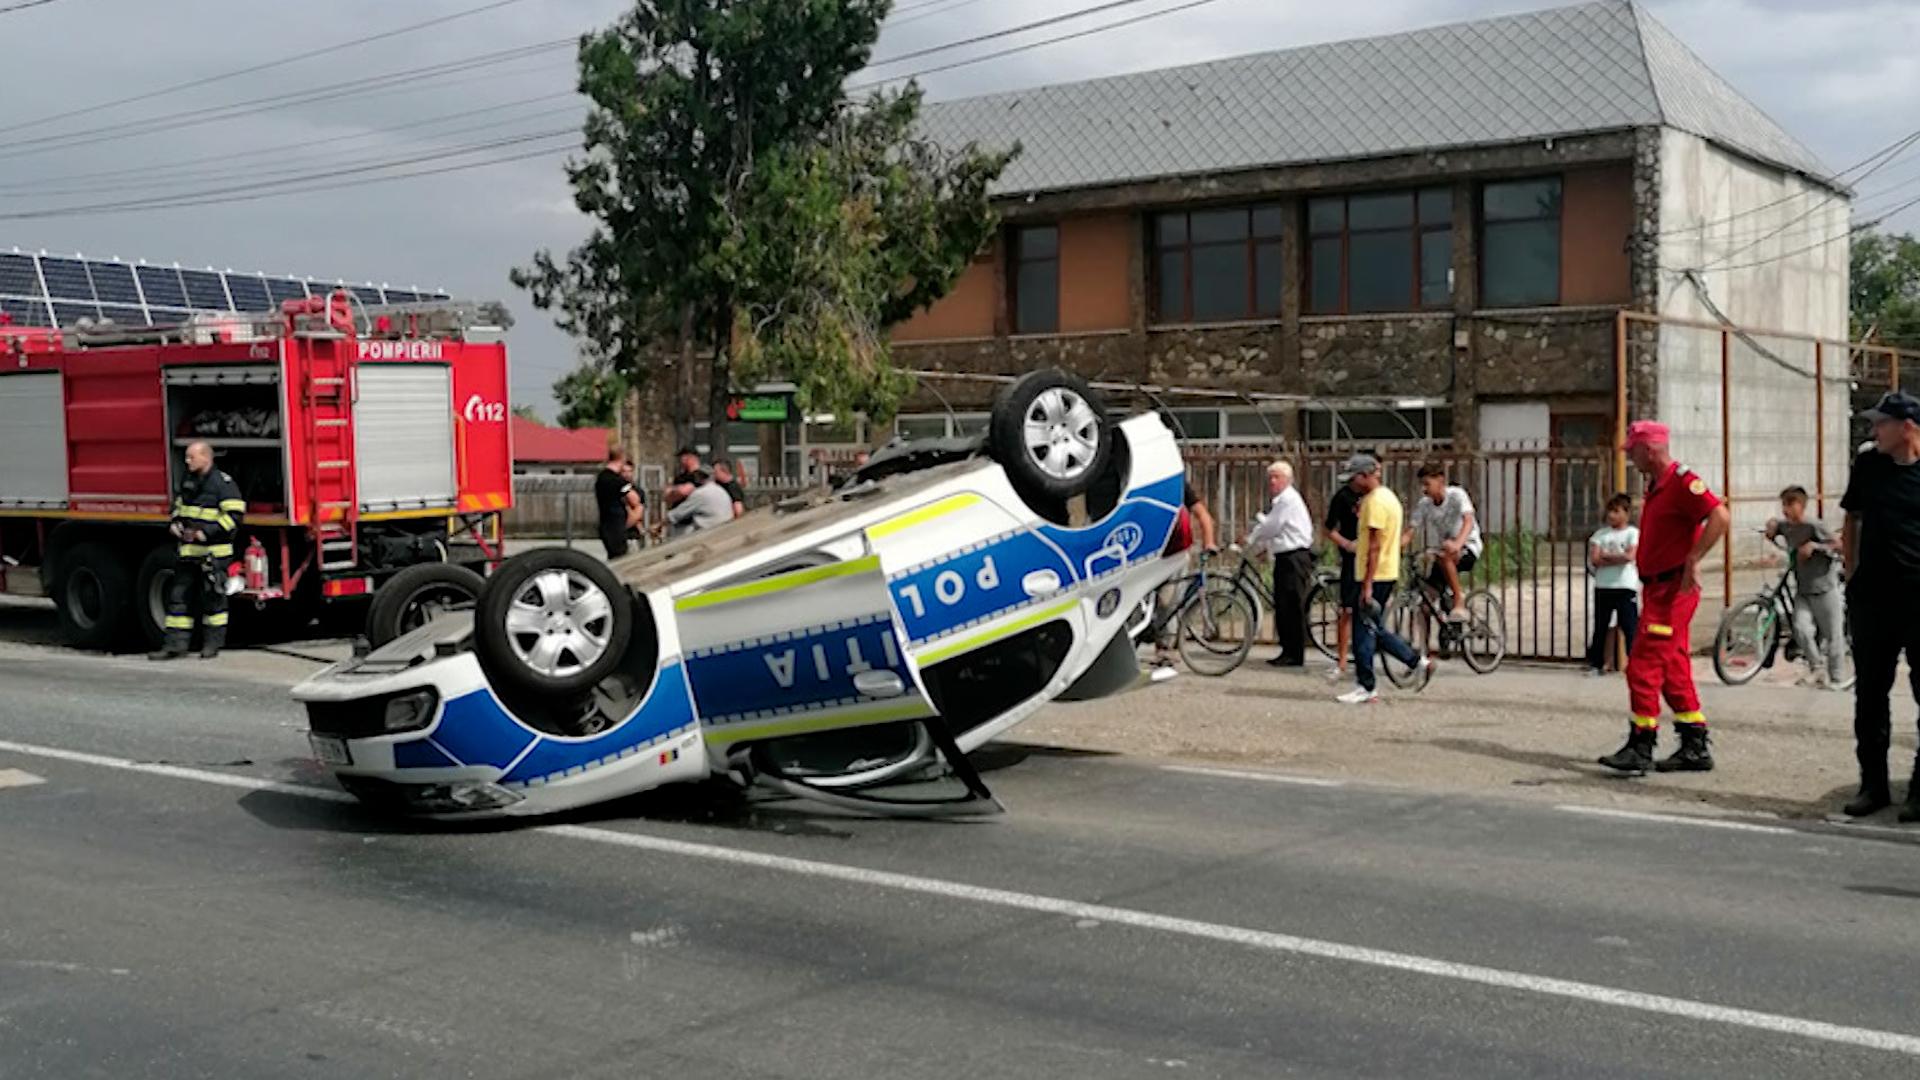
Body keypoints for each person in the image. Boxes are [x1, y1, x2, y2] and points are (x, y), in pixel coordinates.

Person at [1597, 421, 1730, 775]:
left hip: (1673, 591)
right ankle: (1694, 743)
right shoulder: (1657, 484)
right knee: (1673, 667)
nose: (1630, 457)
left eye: (1634, 450)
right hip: (1658, 588)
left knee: (1642, 665)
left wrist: (1694, 558)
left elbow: (1719, 516)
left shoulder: (1682, 481)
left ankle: (1641, 744)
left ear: (1650, 449)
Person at [1839, 391, 1920, 820]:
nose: (1874, 431)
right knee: (1871, 694)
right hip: (1873, 599)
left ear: (1907, 427)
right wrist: (1851, 574)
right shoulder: (1869, 465)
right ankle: (1874, 786)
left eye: (1882, 423)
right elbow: (1851, 518)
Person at [1337, 454, 1433, 705]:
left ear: (1366, 475)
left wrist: (1367, 584)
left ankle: (1366, 685)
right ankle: (1416, 661)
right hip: (1385, 571)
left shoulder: (1375, 503)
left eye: (1355, 477)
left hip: (1374, 573)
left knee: (1363, 631)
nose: (1352, 483)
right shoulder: (1388, 498)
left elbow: (1374, 546)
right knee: (1374, 628)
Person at [150, 440, 245, 661]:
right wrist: (175, 523)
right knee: (178, 599)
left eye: (191, 457)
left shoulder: (223, 484)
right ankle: (174, 645)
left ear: (206, 457)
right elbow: (179, 507)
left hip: (214, 554)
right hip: (188, 553)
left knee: (213, 601)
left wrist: (206, 534)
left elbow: (234, 517)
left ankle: (212, 645)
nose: (187, 461)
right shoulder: (189, 481)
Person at [1768, 485, 1844, 689]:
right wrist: (1772, 527)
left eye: (1789, 504)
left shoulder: (1814, 525)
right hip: (1803, 588)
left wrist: (1815, 547)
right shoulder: (1788, 526)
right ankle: (1817, 668)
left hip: (1824, 588)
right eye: (1783, 504)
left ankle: (1836, 678)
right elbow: (1776, 528)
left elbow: (1839, 545)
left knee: (1833, 635)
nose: (1785, 509)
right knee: (1801, 629)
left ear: (1801, 506)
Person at [1244, 460, 1313, 668]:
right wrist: (1265, 547)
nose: (1272, 482)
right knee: (1284, 604)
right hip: (1286, 555)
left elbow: (1272, 526)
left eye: (1277, 477)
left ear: (1287, 480)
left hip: (1294, 557)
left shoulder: (1287, 500)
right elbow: (1278, 529)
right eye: (1270, 478)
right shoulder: (1281, 501)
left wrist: (1250, 540)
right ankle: (1288, 649)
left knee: (1291, 605)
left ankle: (1294, 652)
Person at [1151, 481, 1219, 669]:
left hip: (1175, 553)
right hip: (1150, 554)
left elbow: (1203, 515)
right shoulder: (1146, 484)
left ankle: (1165, 647)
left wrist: (1209, 543)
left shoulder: (1179, 486)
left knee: (1169, 601)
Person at [1406, 463, 1482, 622]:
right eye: (1422, 485)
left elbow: (1468, 521)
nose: (1424, 489)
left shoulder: (1456, 495)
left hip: (1468, 546)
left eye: (1427, 484)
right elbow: (1410, 531)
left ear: (1440, 480)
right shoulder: (1425, 504)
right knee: (1426, 605)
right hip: (1444, 552)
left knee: (1446, 555)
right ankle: (1424, 646)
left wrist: (1458, 544)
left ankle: (1458, 601)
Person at [1584, 493, 1640, 677]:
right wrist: (1616, 558)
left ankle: (1637, 664)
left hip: (1625, 586)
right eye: (1610, 511)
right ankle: (1596, 663)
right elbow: (1595, 559)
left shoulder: (1632, 533)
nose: (1611, 515)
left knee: (1630, 626)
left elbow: (1629, 556)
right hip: (1603, 586)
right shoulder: (1600, 534)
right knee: (1601, 626)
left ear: (1626, 513)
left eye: (1616, 511)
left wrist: (1607, 557)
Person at [1322, 462, 1366, 683]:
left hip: (1373, 556)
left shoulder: (1375, 496)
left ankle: (1365, 657)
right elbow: (1329, 527)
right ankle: (1341, 660)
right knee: (1346, 609)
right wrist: (1346, 544)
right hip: (1351, 558)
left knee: (1369, 609)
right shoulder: (1342, 497)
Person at [594, 448, 642, 559]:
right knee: (621, 558)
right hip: (616, 526)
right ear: (621, 459)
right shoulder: (616, 480)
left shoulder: (601, 478)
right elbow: (634, 499)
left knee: (613, 557)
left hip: (606, 524)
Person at [667, 470, 732, 537]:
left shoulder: (700, 493)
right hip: (724, 529)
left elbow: (677, 514)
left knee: (680, 531)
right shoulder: (720, 490)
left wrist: (660, 524)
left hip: (709, 531)